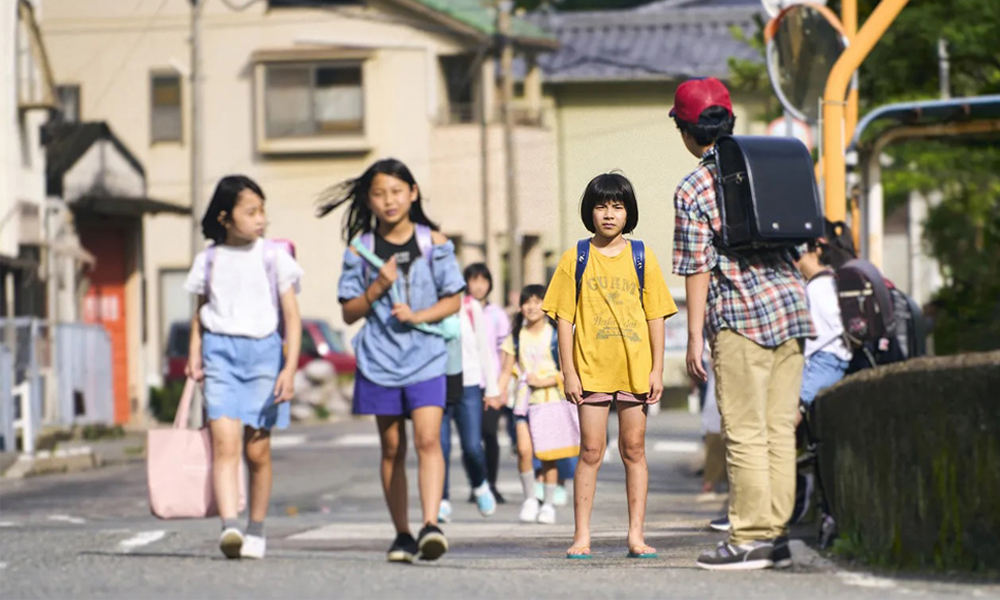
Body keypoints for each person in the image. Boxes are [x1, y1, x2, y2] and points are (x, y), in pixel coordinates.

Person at [670, 77, 814, 570]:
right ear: (728, 121)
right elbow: (798, 245)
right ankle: (774, 535)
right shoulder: (769, 166)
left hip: (739, 315)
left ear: (687, 131)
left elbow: (696, 266)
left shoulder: (694, 185)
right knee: (778, 429)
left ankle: (749, 537)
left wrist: (694, 338)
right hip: (792, 308)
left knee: (746, 431)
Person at [323, 158, 464, 563]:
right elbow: (349, 312)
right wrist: (377, 287)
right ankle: (402, 533)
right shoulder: (359, 250)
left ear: (413, 193)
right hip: (379, 360)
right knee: (391, 448)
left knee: (427, 439)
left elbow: (454, 299)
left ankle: (431, 525)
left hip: (427, 357)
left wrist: (418, 316)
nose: (389, 200)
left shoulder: (434, 243)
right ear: (368, 199)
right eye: (380, 193)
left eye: (397, 191)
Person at [543, 173, 677, 559]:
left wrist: (657, 370)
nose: (608, 214)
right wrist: (568, 370)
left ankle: (636, 535)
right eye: (601, 206)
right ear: (590, 211)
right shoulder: (576, 258)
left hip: (634, 369)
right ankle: (582, 535)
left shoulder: (643, 257)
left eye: (617, 207)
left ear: (628, 212)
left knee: (634, 448)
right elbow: (563, 319)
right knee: (590, 450)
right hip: (590, 369)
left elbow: (656, 316)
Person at [184, 175, 304, 560]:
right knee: (225, 443)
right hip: (220, 354)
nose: (260, 219)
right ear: (226, 217)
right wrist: (194, 352)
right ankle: (229, 526)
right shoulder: (209, 260)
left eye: (262, 211)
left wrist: (289, 368)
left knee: (257, 452)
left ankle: (257, 528)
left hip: (264, 355)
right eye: (250, 212)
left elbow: (293, 317)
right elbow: (200, 312)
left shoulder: (273, 257)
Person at [496, 285, 567, 524]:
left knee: (548, 455)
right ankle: (529, 499)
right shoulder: (515, 336)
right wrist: (497, 392)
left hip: (550, 402)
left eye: (538, 301)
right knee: (524, 451)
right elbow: (506, 369)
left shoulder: (557, 335)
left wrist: (545, 380)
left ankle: (547, 504)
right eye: (527, 302)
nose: (532, 307)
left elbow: (569, 372)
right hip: (523, 403)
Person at [437, 291, 500, 522]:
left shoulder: (470, 306)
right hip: (438, 384)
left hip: (469, 384)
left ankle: (480, 484)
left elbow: (484, 347)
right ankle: (441, 500)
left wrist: (492, 388)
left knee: (472, 445)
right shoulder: (428, 305)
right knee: (439, 447)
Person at [463, 263, 511, 503]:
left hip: (492, 383)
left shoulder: (497, 314)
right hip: (467, 381)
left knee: (489, 434)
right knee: (470, 437)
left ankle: (491, 483)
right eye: (474, 280)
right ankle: (477, 484)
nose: (479, 285)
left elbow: (506, 351)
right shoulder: (460, 311)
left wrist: (503, 386)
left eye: (483, 280)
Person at [797, 240, 852, 409]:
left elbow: (818, 335)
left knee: (792, 405)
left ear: (817, 251)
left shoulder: (818, 286)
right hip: (832, 358)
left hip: (823, 359)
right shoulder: (832, 280)